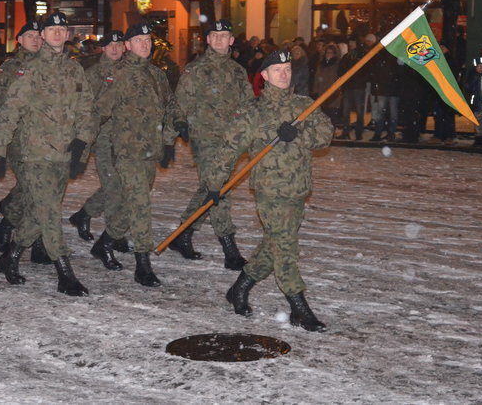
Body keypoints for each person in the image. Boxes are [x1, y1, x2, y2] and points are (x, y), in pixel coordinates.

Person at [206, 50, 334, 332]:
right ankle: (298, 307)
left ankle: (239, 288)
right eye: (277, 69)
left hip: (298, 188)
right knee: (286, 248)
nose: (284, 74)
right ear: (264, 76)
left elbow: (326, 135)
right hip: (270, 191)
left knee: (274, 244)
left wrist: (300, 134)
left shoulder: (305, 105)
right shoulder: (253, 112)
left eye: (287, 68)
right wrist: (215, 185)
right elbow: (228, 149)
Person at [0, 12, 94, 296]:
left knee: (39, 212)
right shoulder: (30, 71)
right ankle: (65, 273)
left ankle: (9, 257)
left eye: (62, 29)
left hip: (63, 154)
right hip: (35, 154)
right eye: (52, 30)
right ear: (43, 35)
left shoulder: (75, 71)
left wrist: (81, 147)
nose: (57, 34)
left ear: (67, 34)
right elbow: (10, 111)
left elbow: (86, 111)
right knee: (50, 214)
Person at [89, 22, 182, 287]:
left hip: (150, 152)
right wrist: (79, 145)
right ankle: (143, 264)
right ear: (127, 45)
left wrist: (171, 138)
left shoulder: (157, 75)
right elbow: (98, 112)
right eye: (138, 40)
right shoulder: (118, 75)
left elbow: (170, 106)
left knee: (132, 206)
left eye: (148, 40)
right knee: (141, 206)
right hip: (127, 153)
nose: (145, 44)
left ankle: (104, 243)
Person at [173, 19, 252, 270]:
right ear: (207, 40)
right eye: (214, 36)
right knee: (220, 190)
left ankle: (182, 234)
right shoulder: (195, 70)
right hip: (205, 139)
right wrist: (180, 123)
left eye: (224, 36)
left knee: (209, 189)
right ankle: (230, 248)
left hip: (231, 141)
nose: (219, 40)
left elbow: (249, 105)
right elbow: (180, 101)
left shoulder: (238, 71)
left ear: (231, 40)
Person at [0, 20, 48, 262]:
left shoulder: (49, 64)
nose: (35, 39)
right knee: (36, 189)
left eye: (38, 35)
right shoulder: (11, 68)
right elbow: (0, 102)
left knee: (34, 188)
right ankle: (37, 242)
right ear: (19, 40)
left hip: (45, 139)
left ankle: (7, 221)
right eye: (29, 35)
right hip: (19, 139)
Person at [69, 30, 127, 245]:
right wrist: (82, 145)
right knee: (113, 185)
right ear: (103, 48)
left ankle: (84, 214)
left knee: (122, 183)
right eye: (110, 45)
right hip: (103, 137)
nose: (114, 49)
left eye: (119, 45)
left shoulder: (130, 72)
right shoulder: (93, 74)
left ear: (125, 47)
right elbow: (85, 109)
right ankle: (114, 235)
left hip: (125, 138)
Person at [338, 36, 368, 140]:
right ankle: (347, 131)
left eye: (353, 41)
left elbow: (365, 71)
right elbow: (341, 70)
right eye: (350, 42)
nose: (351, 44)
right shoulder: (347, 56)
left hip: (358, 86)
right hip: (349, 86)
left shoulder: (361, 55)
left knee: (359, 111)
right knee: (346, 110)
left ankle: (358, 131)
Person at [368, 48, 400, 142]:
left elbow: (377, 73)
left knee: (386, 113)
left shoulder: (384, 57)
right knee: (384, 113)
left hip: (390, 89)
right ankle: (384, 133)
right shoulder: (385, 57)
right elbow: (376, 73)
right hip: (387, 89)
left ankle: (386, 133)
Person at [311, 43, 341, 127]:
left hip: (333, 95)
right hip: (321, 94)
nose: (328, 55)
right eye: (327, 52)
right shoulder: (321, 64)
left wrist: (336, 92)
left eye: (331, 53)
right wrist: (315, 92)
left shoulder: (337, 64)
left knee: (332, 117)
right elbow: (317, 79)